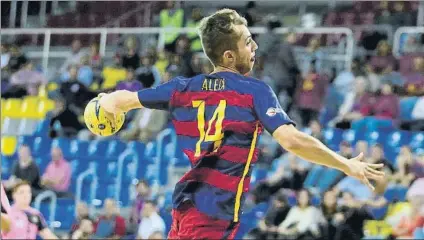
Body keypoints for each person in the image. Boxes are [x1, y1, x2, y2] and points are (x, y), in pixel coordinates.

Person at [98, 9, 385, 239]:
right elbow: (292, 140)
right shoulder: (253, 90)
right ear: (229, 56)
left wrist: (103, 105)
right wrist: (346, 165)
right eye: (248, 41)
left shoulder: (184, 87)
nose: (255, 45)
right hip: (210, 214)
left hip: (189, 207)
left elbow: (122, 100)